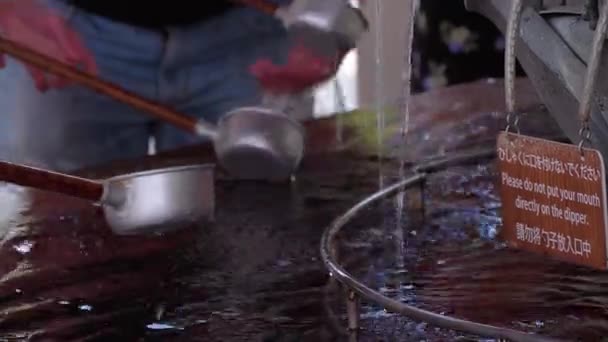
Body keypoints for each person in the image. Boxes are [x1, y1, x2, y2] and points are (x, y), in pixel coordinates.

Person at [0, 0, 345, 172]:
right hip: (61, 26)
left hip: (251, 31)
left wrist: (326, 15)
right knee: (58, 233)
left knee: (261, 236)